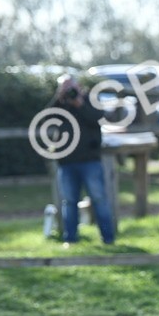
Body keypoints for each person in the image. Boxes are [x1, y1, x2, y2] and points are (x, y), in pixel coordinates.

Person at [49, 75, 116, 245]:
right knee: (69, 201)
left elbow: (97, 119)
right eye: (65, 87)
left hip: (90, 160)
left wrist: (80, 103)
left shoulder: (91, 100)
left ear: (78, 85)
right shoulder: (60, 104)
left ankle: (108, 239)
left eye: (71, 86)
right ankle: (70, 239)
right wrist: (59, 97)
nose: (69, 90)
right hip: (66, 162)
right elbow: (47, 118)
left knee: (99, 199)